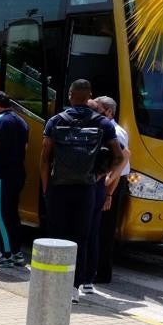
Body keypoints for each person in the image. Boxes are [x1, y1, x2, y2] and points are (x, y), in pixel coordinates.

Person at [39, 79, 124, 303]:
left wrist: (46, 188)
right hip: (86, 189)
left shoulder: (56, 121)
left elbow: (45, 159)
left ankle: (52, 283)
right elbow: (120, 156)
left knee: (56, 235)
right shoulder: (103, 124)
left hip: (58, 187)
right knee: (82, 238)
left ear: (69, 95)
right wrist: (100, 176)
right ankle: (74, 288)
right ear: (89, 97)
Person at [0, 92, 30, 267]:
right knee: (12, 214)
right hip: (18, 173)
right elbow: (24, 149)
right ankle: (16, 253)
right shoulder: (22, 122)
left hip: (1, 175)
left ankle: (6, 253)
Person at [92, 96, 131, 284]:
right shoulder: (106, 127)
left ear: (109, 112)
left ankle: (102, 272)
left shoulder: (115, 131)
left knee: (105, 230)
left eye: (98, 109)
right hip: (109, 182)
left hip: (114, 184)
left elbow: (122, 163)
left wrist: (108, 191)